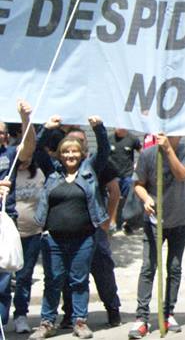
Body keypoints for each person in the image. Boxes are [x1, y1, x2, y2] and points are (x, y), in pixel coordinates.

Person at [29, 116, 108, 340]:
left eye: (74, 152)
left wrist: (98, 128)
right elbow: (36, 150)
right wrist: (45, 128)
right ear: (60, 155)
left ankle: (80, 322)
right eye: (66, 152)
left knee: (78, 281)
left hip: (84, 239)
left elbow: (104, 151)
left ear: (81, 154)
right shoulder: (53, 172)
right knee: (53, 280)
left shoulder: (90, 170)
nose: (70, 156)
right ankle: (46, 323)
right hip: (53, 238)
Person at [128, 133, 185, 339]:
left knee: (174, 268)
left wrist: (168, 150)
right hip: (154, 222)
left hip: (179, 220)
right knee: (149, 267)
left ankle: (168, 312)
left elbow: (182, 174)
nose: (167, 137)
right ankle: (141, 317)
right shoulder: (148, 155)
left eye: (172, 134)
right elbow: (138, 183)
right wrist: (146, 198)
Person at [59, 126, 122, 330]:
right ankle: (70, 314)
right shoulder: (60, 167)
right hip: (69, 231)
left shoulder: (96, 164)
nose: (77, 145)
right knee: (70, 275)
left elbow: (115, 191)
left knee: (103, 271)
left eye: (81, 141)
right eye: (72, 140)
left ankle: (113, 310)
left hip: (94, 230)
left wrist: (108, 222)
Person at [0, 101, 36, 332]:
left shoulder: (9, 153)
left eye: (2, 132)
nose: (0, 135)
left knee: (3, 281)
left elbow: (28, 149)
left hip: (5, 221)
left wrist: (26, 119)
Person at [108, 128, 141, 233]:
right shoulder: (109, 138)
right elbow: (102, 153)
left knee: (129, 200)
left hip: (127, 175)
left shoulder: (132, 139)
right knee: (114, 198)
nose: (119, 127)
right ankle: (112, 224)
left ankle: (127, 224)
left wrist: (138, 165)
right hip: (113, 175)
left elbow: (143, 153)